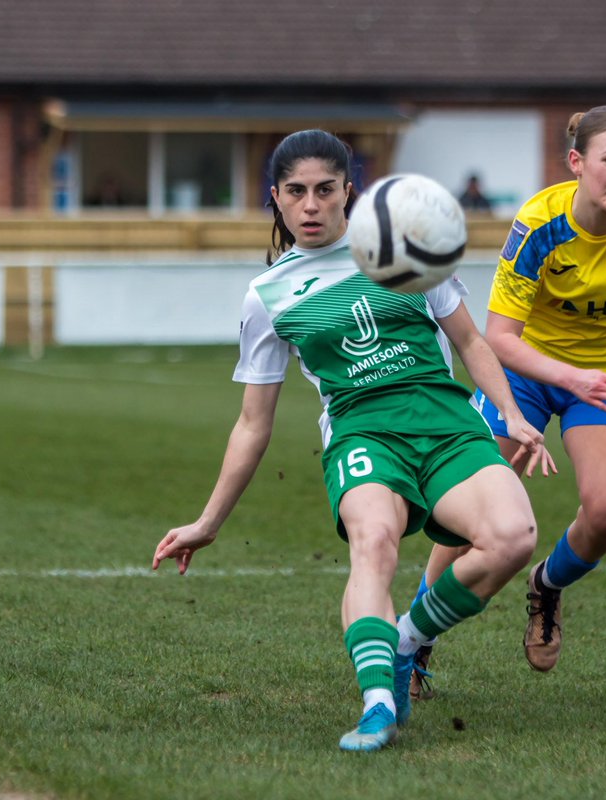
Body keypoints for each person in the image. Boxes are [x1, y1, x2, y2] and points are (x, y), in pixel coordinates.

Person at [151, 129, 554, 752]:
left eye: (324, 190)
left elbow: (472, 342)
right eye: (295, 192)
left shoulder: (406, 249)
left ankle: (406, 640)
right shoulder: (267, 296)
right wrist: (208, 521)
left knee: (512, 538)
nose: (311, 206)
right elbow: (253, 422)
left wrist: (512, 414)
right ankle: (376, 706)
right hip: (361, 431)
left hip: (445, 421)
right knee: (374, 542)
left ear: (348, 192)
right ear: (277, 200)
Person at [399, 105, 606, 686]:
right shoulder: (538, 223)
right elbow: (498, 338)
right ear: (577, 163)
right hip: (521, 376)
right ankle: (416, 642)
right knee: (471, 520)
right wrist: (570, 377)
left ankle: (547, 587)